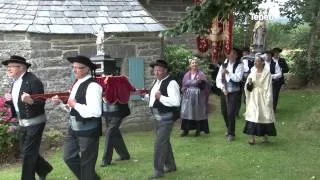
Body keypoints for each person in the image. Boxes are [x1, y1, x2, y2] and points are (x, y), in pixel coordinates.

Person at [2, 55, 53, 180]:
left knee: (28, 154)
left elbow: (41, 102)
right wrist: (10, 100)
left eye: (10, 67)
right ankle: (44, 168)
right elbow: (19, 103)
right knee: (25, 150)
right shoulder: (15, 81)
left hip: (35, 123)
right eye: (7, 67)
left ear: (21, 68)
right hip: (23, 123)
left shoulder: (33, 81)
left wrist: (30, 101)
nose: (8, 69)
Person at [52, 55, 102, 180]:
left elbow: (95, 112)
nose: (74, 70)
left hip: (89, 129)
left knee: (87, 163)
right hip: (74, 128)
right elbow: (72, 107)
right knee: (68, 157)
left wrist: (75, 104)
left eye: (78, 68)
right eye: (73, 67)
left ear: (87, 69)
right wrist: (61, 104)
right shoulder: (76, 83)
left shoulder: (93, 86)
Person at [143, 59, 181, 179]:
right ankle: (170, 166)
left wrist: (161, 97)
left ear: (165, 71)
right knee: (164, 142)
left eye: (159, 70)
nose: (156, 72)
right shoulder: (157, 81)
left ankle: (158, 171)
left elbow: (176, 102)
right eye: (155, 70)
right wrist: (145, 97)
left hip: (166, 118)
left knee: (159, 144)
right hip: (157, 118)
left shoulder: (171, 83)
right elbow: (154, 98)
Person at [100, 74, 133, 167]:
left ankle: (106, 160)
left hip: (118, 111)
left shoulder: (119, 80)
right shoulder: (99, 81)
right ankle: (124, 155)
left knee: (110, 133)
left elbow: (126, 91)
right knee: (115, 133)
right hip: (107, 112)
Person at [243, 54, 276, 145]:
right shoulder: (252, 72)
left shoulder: (267, 73)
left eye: (257, 61)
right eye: (255, 61)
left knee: (264, 115)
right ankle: (251, 138)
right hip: (253, 97)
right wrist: (249, 84)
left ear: (262, 62)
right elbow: (248, 87)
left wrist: (268, 98)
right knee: (252, 115)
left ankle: (264, 136)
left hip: (263, 97)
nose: (255, 63)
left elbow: (269, 87)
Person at [216, 48, 244, 142]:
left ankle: (231, 133)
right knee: (224, 112)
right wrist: (223, 88)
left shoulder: (239, 65)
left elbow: (238, 78)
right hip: (224, 90)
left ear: (236, 55)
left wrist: (228, 72)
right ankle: (229, 129)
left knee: (231, 112)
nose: (231, 55)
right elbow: (218, 79)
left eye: (233, 54)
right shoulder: (223, 65)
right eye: (229, 54)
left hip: (234, 92)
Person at [180, 57, 210, 137]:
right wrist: (184, 90)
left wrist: (200, 82)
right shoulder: (186, 75)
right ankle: (185, 130)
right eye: (193, 63)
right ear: (190, 65)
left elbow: (205, 86)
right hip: (188, 97)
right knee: (187, 112)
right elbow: (184, 85)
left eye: (196, 63)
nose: (194, 64)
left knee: (197, 112)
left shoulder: (201, 74)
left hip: (198, 96)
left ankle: (198, 130)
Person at [271, 48, 289, 112]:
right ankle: (269, 107)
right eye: (275, 53)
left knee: (275, 94)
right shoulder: (270, 60)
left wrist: (281, 70)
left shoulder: (282, 60)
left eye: (278, 53)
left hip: (279, 79)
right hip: (271, 79)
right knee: (270, 94)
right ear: (273, 53)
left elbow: (287, 69)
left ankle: (273, 108)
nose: (276, 54)